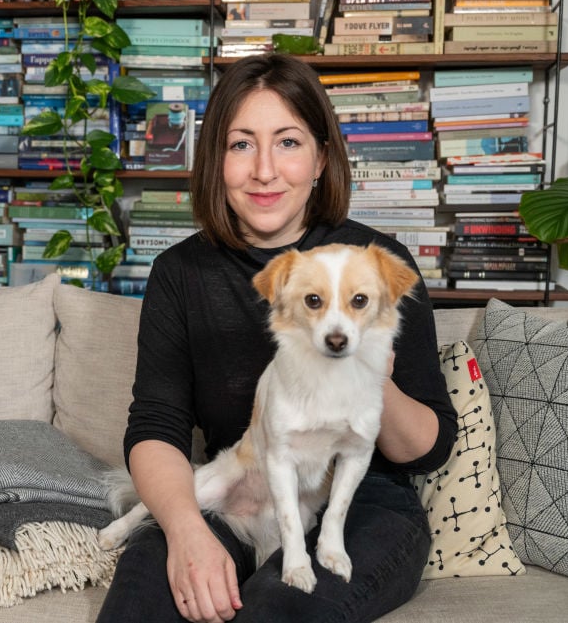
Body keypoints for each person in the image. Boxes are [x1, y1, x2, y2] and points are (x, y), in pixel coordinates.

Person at [96, 53, 457, 623]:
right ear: (215, 161)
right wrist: (187, 530)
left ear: (321, 158)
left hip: (363, 507)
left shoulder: (375, 266)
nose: (265, 170)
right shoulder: (180, 274)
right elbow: (155, 427)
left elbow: (429, 447)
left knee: (276, 610)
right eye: (241, 145)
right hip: (243, 487)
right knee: (139, 604)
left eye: (288, 142)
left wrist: (364, 374)